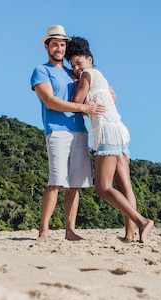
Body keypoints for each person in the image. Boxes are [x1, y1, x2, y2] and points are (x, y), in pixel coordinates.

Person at [65, 36, 154, 243]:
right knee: (125, 186)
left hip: (106, 133)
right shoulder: (101, 77)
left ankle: (142, 222)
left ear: (90, 59)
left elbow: (76, 102)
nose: (77, 68)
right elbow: (99, 105)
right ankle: (130, 235)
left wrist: (76, 81)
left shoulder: (87, 75)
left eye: (79, 63)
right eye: (73, 66)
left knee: (103, 187)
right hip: (119, 131)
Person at [30, 25, 106, 241]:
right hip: (56, 131)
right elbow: (50, 101)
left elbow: (92, 90)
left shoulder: (73, 72)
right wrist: (84, 108)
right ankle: (43, 231)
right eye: (55, 44)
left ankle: (70, 231)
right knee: (56, 181)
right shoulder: (41, 71)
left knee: (75, 184)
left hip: (79, 132)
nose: (59, 48)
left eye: (62, 45)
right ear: (47, 47)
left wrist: (108, 93)